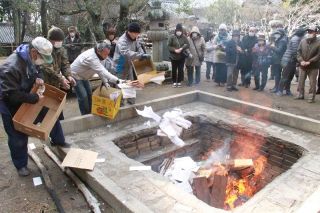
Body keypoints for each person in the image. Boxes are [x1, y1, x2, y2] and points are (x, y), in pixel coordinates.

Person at [0, 37, 70, 176]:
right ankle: (21, 164)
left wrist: (39, 78)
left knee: (51, 114)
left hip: (28, 95)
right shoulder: (11, 67)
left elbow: (38, 69)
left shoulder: (33, 58)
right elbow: (11, 95)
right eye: (42, 57)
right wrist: (34, 98)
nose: (42, 61)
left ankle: (58, 141)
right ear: (33, 52)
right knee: (17, 135)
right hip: (10, 103)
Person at [71, 40, 128, 115]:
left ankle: (91, 112)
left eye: (108, 54)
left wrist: (105, 82)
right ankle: (85, 115)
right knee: (83, 97)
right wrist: (118, 81)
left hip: (84, 76)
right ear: (99, 51)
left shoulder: (101, 56)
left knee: (89, 94)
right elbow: (104, 72)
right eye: (105, 54)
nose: (106, 56)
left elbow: (100, 71)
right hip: (75, 76)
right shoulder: (91, 58)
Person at [113, 22, 149, 103]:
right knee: (120, 85)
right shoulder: (122, 40)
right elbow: (125, 53)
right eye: (136, 33)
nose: (137, 35)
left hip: (129, 64)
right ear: (130, 32)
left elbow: (139, 47)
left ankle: (131, 102)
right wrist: (139, 56)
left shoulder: (135, 38)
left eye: (138, 34)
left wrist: (143, 54)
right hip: (120, 65)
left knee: (132, 84)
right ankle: (119, 104)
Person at [40, 26, 76, 91]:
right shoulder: (43, 49)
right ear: (50, 40)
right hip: (44, 81)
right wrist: (61, 78)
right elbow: (47, 68)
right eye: (57, 41)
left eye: (61, 41)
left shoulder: (61, 49)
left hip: (56, 82)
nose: (59, 42)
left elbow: (65, 63)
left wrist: (68, 76)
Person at [277, 28, 305, 96]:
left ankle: (287, 90)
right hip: (288, 60)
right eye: (304, 33)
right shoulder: (296, 39)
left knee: (289, 76)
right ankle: (280, 90)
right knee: (285, 76)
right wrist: (300, 60)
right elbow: (295, 51)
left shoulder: (296, 38)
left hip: (291, 60)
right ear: (301, 33)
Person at [295, 26, 320, 103]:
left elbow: (318, 55)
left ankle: (311, 97)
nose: (309, 33)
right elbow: (298, 52)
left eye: (311, 32)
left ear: (316, 32)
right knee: (300, 81)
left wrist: (310, 61)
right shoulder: (303, 41)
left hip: (313, 66)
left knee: (312, 82)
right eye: (308, 32)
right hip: (302, 65)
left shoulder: (319, 42)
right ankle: (300, 94)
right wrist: (301, 60)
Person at [168, 23, 190, 88]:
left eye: (180, 30)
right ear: (175, 30)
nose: (178, 32)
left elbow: (188, 44)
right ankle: (174, 81)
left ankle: (179, 81)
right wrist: (174, 50)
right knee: (174, 69)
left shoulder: (184, 37)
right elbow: (168, 46)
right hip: (173, 56)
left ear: (181, 30)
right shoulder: (172, 37)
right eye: (177, 30)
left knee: (180, 69)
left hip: (181, 56)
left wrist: (182, 48)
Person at [269, 29, 287, 93]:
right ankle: (277, 87)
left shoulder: (282, 41)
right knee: (278, 75)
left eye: (277, 33)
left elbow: (279, 51)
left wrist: (273, 47)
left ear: (281, 34)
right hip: (278, 60)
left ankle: (277, 88)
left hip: (279, 60)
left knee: (277, 75)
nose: (276, 35)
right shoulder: (280, 40)